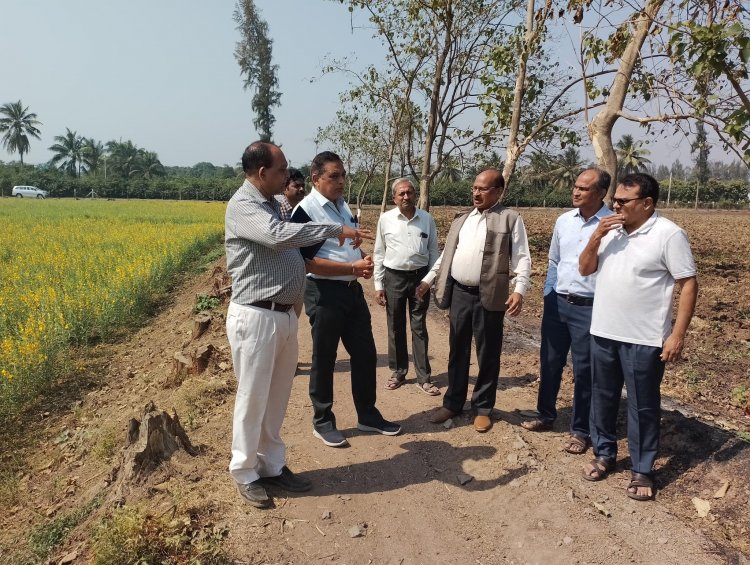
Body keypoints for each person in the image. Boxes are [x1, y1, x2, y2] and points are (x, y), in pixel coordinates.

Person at [225, 141, 371, 508]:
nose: (289, 175)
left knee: (276, 398)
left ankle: (272, 465)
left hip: (283, 315)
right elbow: (277, 236)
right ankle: (244, 471)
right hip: (256, 314)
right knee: (252, 396)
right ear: (262, 173)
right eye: (282, 170)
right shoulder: (243, 206)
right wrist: (331, 230)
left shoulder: (273, 204)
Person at [579, 172, 698, 501]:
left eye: (622, 201)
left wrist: (677, 335)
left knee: (643, 406)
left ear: (647, 203)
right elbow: (585, 269)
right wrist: (595, 237)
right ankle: (604, 454)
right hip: (603, 330)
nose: (614, 205)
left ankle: (642, 469)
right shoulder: (610, 231)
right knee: (602, 396)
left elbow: (687, 283)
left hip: (643, 339)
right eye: (614, 199)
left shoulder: (668, 235)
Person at [291, 151, 402, 447]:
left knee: (365, 353)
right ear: (316, 179)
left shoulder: (342, 206)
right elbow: (308, 263)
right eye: (334, 176)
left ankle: (367, 415)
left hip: (351, 292)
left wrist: (361, 261)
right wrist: (351, 267)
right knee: (324, 357)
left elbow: (347, 248)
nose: (341, 181)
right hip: (324, 292)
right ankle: (323, 420)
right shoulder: (306, 211)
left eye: (343, 175)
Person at [416, 169, 532, 433]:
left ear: (499, 191)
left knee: (487, 352)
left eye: (483, 189)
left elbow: (523, 257)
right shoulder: (463, 219)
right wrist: (428, 279)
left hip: (489, 295)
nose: (476, 193)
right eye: (474, 188)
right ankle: (453, 403)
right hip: (460, 294)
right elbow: (446, 255)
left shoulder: (510, 219)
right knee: (457, 349)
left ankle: (482, 408)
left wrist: (520, 289)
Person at [521, 168, 613, 455]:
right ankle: (546, 414)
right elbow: (554, 261)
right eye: (575, 186)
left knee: (585, 370)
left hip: (591, 306)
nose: (576, 192)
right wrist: (549, 294)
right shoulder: (563, 221)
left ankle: (580, 430)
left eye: (584, 189)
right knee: (549, 362)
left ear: (600, 193)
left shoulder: (612, 226)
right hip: (558, 303)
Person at [373, 178, 441, 396]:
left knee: (419, 327)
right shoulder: (386, 220)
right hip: (393, 278)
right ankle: (398, 372)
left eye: (409, 193)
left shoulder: (427, 219)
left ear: (415, 195)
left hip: (420, 279)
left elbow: (433, 252)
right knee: (395, 326)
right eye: (401, 193)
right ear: (394, 197)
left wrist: (429, 280)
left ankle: (424, 377)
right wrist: (378, 284)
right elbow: (379, 253)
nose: (406, 197)